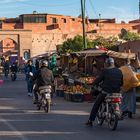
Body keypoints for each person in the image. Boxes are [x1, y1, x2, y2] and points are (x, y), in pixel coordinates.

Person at [86, 57, 123, 126]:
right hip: (117, 93)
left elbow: (98, 80)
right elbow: (121, 83)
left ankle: (90, 120)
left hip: (106, 92)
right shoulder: (119, 71)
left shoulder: (105, 71)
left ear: (107, 64)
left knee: (96, 104)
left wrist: (93, 83)